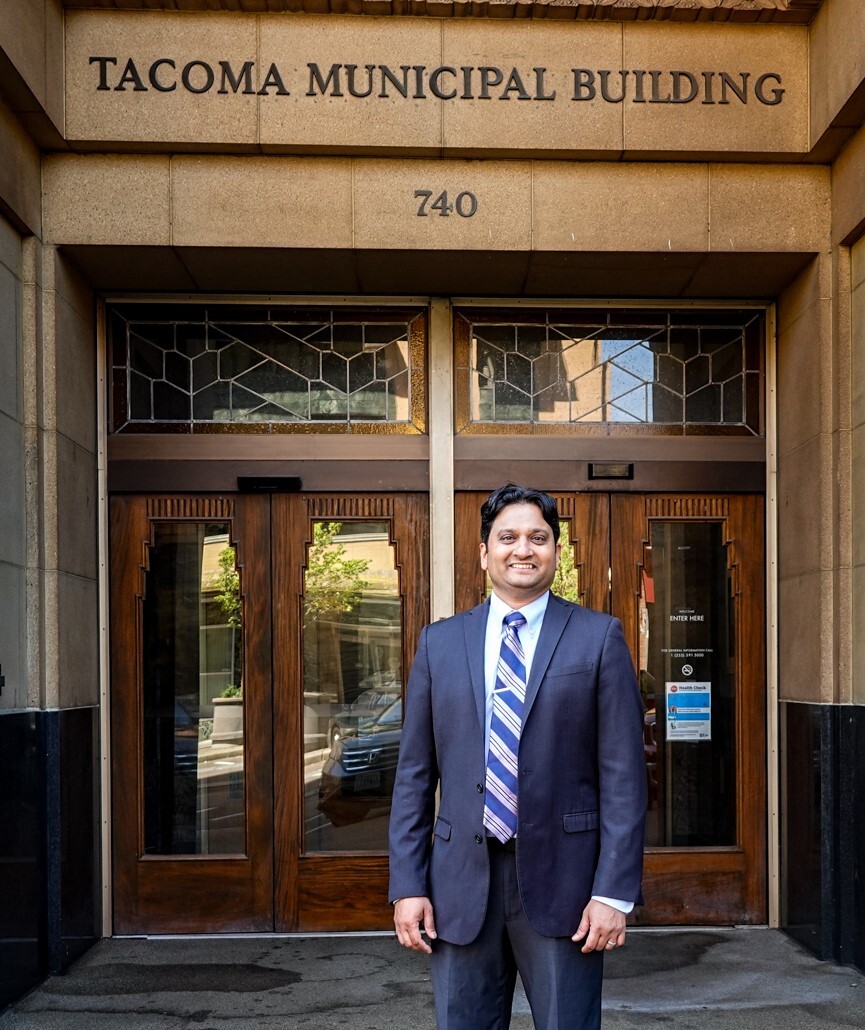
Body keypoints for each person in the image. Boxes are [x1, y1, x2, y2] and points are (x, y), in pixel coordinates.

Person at [388, 484, 647, 1030]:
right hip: (459, 888)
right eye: (507, 537)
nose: (522, 549)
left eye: (538, 538)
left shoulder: (599, 638)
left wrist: (613, 894)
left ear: (557, 551)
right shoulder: (440, 643)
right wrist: (408, 885)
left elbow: (623, 778)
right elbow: (413, 776)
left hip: (568, 889)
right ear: (484, 553)